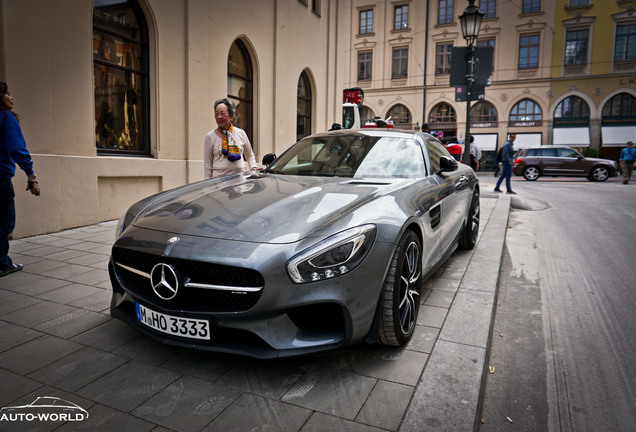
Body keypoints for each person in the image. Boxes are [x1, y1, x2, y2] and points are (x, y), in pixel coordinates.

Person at [0, 82, 40, 277]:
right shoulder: (6, 118)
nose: (11, 97)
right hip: (0, 179)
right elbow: (17, 149)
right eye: (7, 93)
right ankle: (2, 264)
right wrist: (31, 176)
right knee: (4, 222)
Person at [204, 98, 258, 179]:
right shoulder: (210, 137)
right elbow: (207, 164)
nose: (219, 117)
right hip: (219, 184)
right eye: (217, 114)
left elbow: (250, 155)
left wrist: (253, 168)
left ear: (231, 115)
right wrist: (208, 186)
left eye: (222, 113)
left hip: (239, 182)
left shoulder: (241, 133)